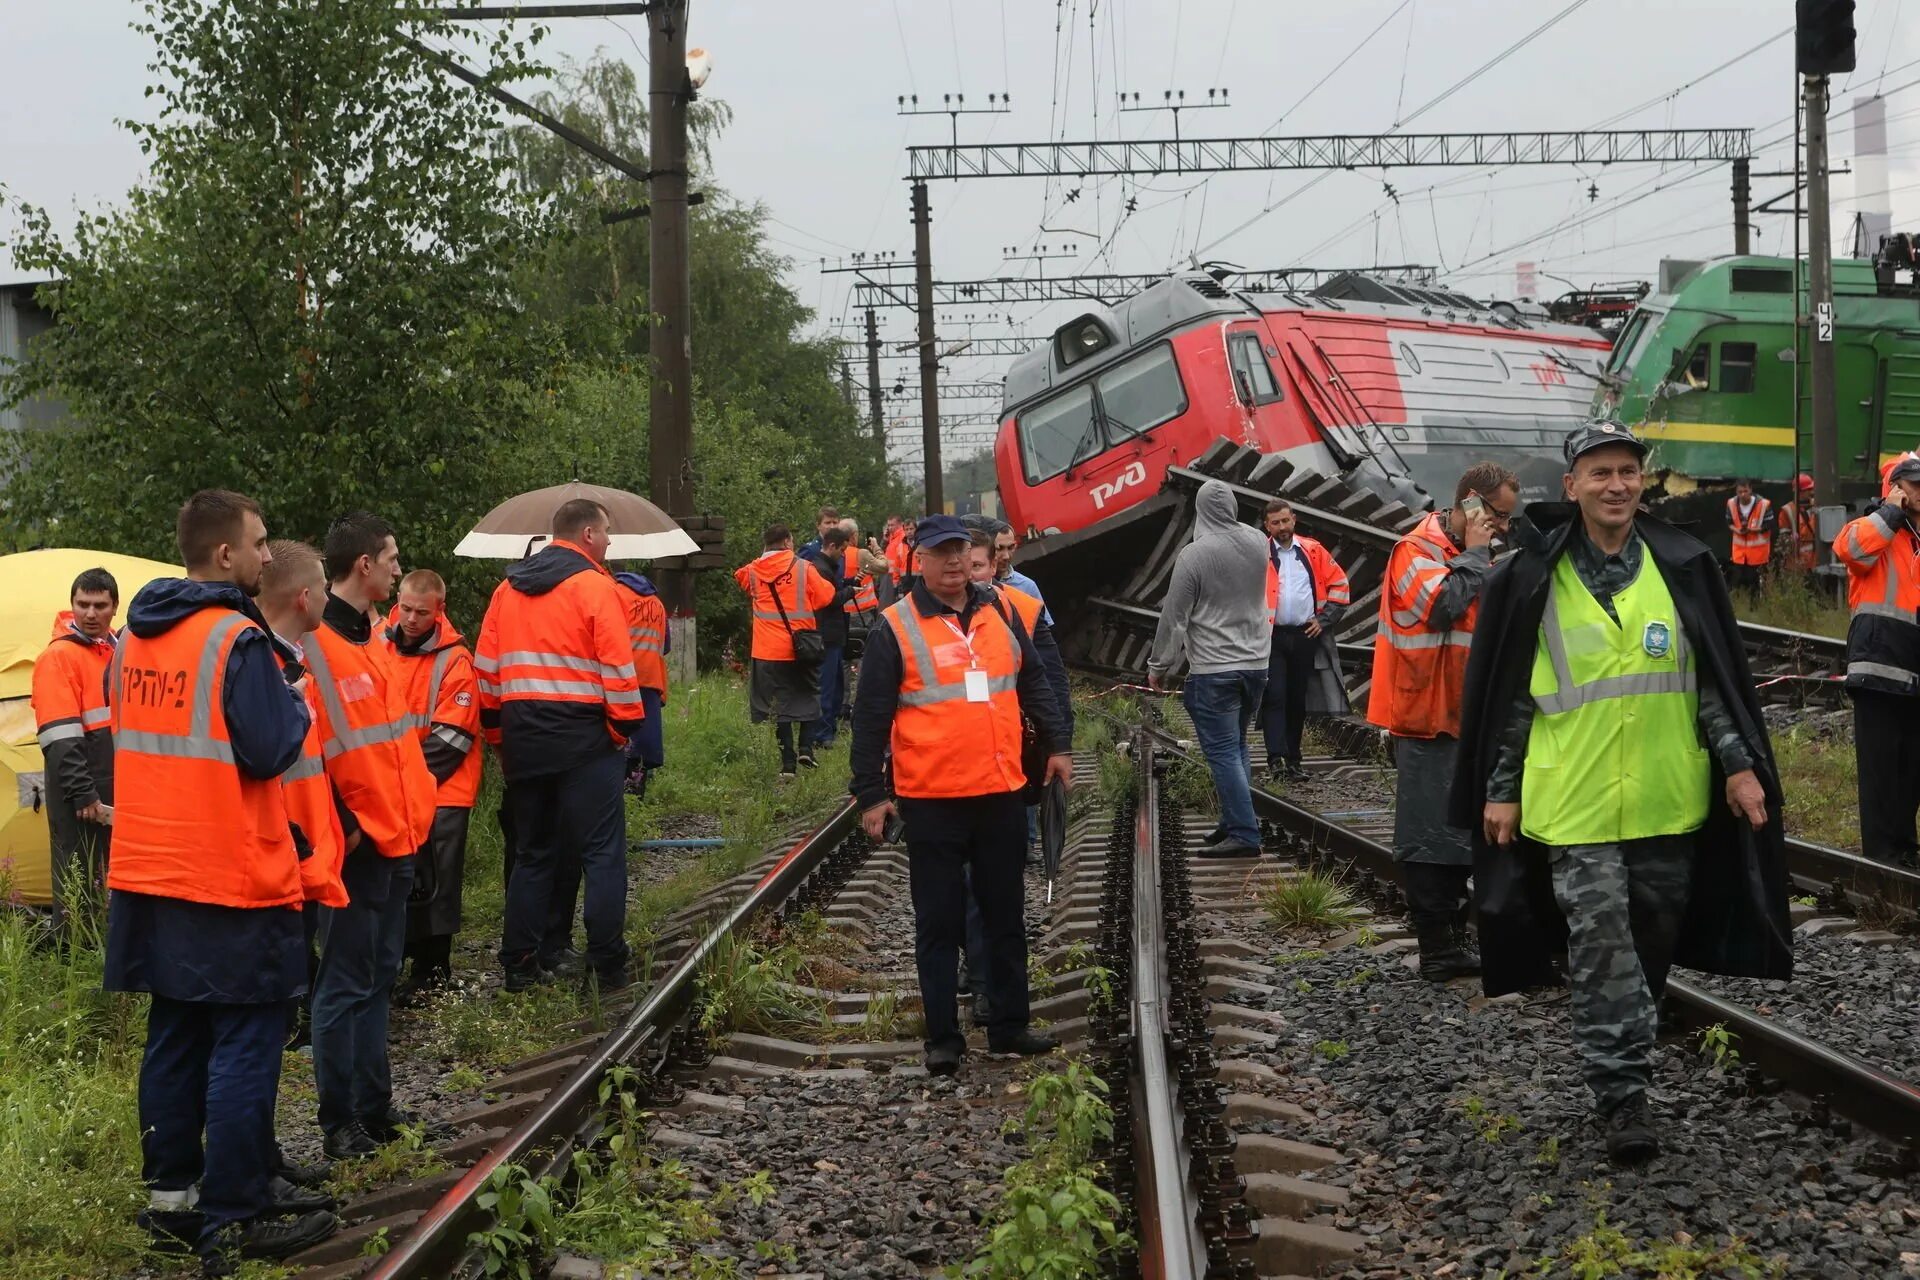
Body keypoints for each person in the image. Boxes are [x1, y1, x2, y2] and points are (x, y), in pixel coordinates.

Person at [1451, 421, 1792, 1165]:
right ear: (1571, 485)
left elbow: (1712, 684)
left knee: (1649, 946)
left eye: (1627, 472)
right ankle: (1622, 1098)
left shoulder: (1681, 566)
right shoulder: (1532, 577)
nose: (1616, 485)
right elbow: (1508, 697)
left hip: (1668, 803)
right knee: (1603, 947)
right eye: (1600, 472)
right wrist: (1498, 789)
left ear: (1642, 482)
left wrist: (1738, 765)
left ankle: (1623, 1054)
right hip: (1573, 805)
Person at [104, 490, 338, 1270]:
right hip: (230, 874)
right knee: (245, 1041)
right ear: (225, 555)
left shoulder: (130, 642)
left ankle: (172, 1200)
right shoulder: (235, 640)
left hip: (148, 872)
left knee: (173, 1035)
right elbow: (270, 749)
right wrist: (297, 704)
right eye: (260, 542)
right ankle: (237, 1213)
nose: (269, 555)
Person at [850, 515, 1072, 1075]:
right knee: (939, 924)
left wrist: (1057, 745)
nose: (953, 562)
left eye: (960, 551)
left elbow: (1033, 680)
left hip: (999, 792)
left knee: (1005, 916)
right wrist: (872, 796)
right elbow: (870, 720)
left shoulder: (999, 610)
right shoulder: (894, 627)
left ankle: (1009, 1026)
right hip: (932, 799)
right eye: (940, 552)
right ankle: (944, 1039)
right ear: (918, 560)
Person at [306, 514, 437, 1159]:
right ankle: (339, 1123)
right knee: (344, 983)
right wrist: (347, 826)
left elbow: (390, 746)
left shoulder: (377, 638)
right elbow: (309, 753)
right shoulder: (315, 645)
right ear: (363, 564)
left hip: (399, 838)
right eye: (390, 557)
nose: (396, 566)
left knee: (379, 976)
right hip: (358, 848)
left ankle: (374, 1106)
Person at [477, 498, 643, 993]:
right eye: (607, 532)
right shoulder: (596, 587)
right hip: (584, 739)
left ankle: (520, 964)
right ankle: (608, 960)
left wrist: (500, 740)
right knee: (601, 853)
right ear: (588, 535)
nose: (610, 541)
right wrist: (621, 732)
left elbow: (487, 673)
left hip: (525, 739)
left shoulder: (507, 590)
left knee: (533, 854)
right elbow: (618, 668)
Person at [1367, 463, 1515, 981]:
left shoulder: (1470, 555)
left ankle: (1454, 939)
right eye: (1497, 515)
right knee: (1431, 839)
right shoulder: (1418, 550)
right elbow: (1443, 605)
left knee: (1457, 836)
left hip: (1464, 716)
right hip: (1425, 716)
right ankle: (1437, 949)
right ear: (1470, 504)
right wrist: (1479, 554)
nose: (1501, 526)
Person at [1146, 480, 1271, 858]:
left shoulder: (1194, 556)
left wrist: (1159, 665)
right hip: (1256, 664)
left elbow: (1175, 617)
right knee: (1238, 745)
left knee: (1222, 751)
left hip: (1216, 667)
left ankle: (1245, 834)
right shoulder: (1257, 542)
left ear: (1200, 511)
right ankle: (1234, 819)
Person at [386, 569, 482, 1003]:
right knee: (398, 880)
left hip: (442, 790)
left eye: (420, 613)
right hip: (391, 786)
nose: (409, 619)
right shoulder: (377, 643)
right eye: (404, 608)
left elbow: (452, 740)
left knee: (438, 881)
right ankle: (401, 961)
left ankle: (433, 968)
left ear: (438, 611)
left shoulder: (455, 661)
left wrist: (401, 779)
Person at [1833, 459, 1920, 869]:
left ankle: (1904, 849)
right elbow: (1849, 550)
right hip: (1879, 671)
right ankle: (1883, 859)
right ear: (1894, 488)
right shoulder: (1873, 530)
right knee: (1882, 770)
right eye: (1912, 485)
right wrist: (1890, 511)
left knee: (1911, 771)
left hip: (1914, 672)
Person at [32, 566, 119, 936]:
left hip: (113, 785)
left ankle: (105, 956)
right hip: (81, 792)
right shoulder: (59, 658)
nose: (90, 613)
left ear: (115, 607)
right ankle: (73, 956)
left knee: (108, 877)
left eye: (100, 605)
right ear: (72, 605)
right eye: (83, 604)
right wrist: (83, 792)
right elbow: (59, 736)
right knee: (78, 876)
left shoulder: (115, 651)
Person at [1259, 499, 1351, 780]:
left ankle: (1294, 759)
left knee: (1297, 698)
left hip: (1303, 635)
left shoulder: (1312, 551)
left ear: (1294, 520)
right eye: (1276, 522)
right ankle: (1277, 759)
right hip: (1272, 637)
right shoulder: (1260, 553)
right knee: (1275, 696)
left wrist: (1323, 621)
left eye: (1286, 521)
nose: (1282, 527)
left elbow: (1340, 585)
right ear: (1267, 525)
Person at [735, 522, 835, 777]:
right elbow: (826, 596)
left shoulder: (753, 571)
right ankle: (805, 749)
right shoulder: (804, 568)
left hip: (767, 651)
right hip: (801, 648)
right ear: (789, 542)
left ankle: (787, 764)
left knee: (777, 706)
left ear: (765, 544)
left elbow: (741, 578)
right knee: (808, 696)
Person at [800, 524, 858, 751]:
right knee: (825, 687)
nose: (843, 555)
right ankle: (821, 733)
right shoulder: (820, 568)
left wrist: (848, 585)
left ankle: (828, 729)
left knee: (835, 686)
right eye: (842, 550)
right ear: (831, 546)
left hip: (833, 634)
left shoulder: (827, 566)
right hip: (826, 635)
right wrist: (850, 592)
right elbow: (830, 600)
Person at [612, 568, 669, 798]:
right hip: (651, 679)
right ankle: (637, 793)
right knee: (644, 744)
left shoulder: (615, 596)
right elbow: (665, 646)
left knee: (620, 740)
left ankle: (623, 796)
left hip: (622, 679)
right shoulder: (657, 602)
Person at [1724, 478, 1772, 595]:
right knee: (1738, 581)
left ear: (1751, 489)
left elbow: (1769, 525)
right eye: (1740, 492)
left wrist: (1752, 530)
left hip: (1758, 553)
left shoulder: (1764, 504)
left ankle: (1755, 607)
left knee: (1755, 582)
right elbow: (1729, 522)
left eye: (1745, 491)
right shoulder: (1731, 504)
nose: (1743, 494)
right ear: (1736, 491)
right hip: (1739, 553)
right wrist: (1737, 530)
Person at [1778, 473, 1818, 572]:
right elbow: (1784, 539)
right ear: (1799, 492)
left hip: (1815, 562)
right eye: (1808, 489)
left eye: (1812, 489)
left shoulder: (1817, 506)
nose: (1811, 492)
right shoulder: (1787, 510)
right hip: (1796, 563)